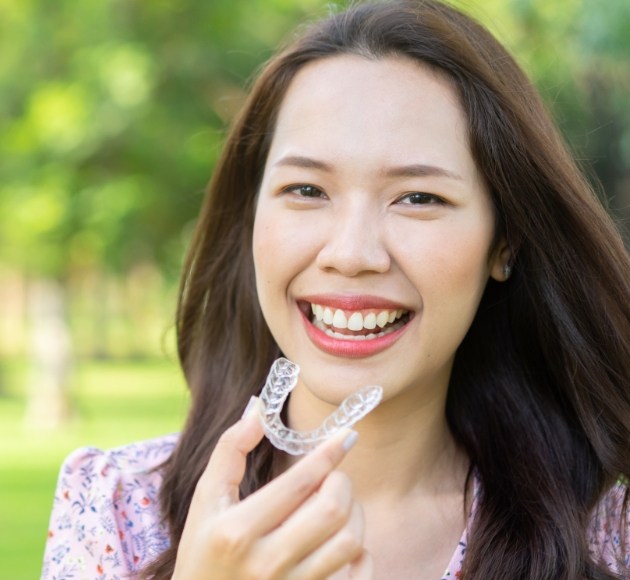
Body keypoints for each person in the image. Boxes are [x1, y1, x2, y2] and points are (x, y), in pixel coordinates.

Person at [42, 0, 630, 578]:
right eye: (306, 190)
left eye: (418, 198)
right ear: (252, 217)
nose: (350, 255)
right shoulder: (113, 509)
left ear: (505, 243)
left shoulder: (603, 534)